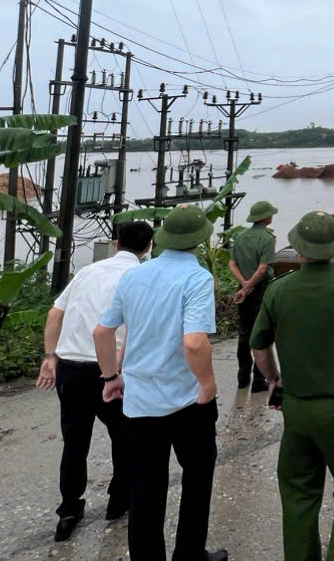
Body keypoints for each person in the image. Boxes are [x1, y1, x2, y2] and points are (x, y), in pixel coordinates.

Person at [251, 210, 334, 561]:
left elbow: (259, 346)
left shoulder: (277, 291)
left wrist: (273, 379)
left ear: (298, 248)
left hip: (295, 407)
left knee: (298, 492)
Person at [93, 205, 228, 561]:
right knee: (196, 484)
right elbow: (195, 342)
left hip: (139, 402)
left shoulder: (134, 276)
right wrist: (208, 385)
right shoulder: (197, 278)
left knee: (145, 491)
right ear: (201, 239)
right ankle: (189, 555)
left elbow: (102, 331)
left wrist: (110, 377)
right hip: (188, 403)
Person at [36, 220, 151, 542]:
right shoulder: (141, 276)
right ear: (147, 247)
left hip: (70, 368)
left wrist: (49, 357)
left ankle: (69, 510)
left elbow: (54, 315)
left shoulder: (87, 272)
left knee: (74, 443)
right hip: (111, 372)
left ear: (115, 244)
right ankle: (118, 502)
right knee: (125, 439)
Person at [229, 199, 279, 392]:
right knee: (261, 333)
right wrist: (250, 285)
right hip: (261, 289)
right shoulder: (267, 238)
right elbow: (263, 267)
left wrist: (243, 285)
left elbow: (232, 264)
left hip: (242, 290)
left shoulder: (240, 236)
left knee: (244, 333)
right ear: (265, 218)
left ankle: (242, 378)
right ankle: (259, 380)